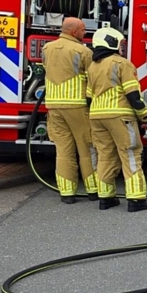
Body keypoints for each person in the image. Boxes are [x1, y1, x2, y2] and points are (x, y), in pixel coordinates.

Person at [87, 27, 147, 212]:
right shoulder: (122, 64)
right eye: (120, 43)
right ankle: (136, 200)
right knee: (131, 153)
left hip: (97, 117)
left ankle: (106, 198)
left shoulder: (93, 67)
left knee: (105, 156)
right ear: (112, 42)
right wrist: (144, 116)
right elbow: (133, 95)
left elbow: (88, 98)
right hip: (120, 116)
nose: (122, 47)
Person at [42, 17, 99, 204]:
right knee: (86, 149)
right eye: (83, 30)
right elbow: (93, 76)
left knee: (63, 151)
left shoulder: (47, 49)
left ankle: (67, 193)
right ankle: (93, 190)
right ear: (74, 32)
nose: (85, 33)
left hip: (54, 106)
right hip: (77, 105)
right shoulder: (83, 51)